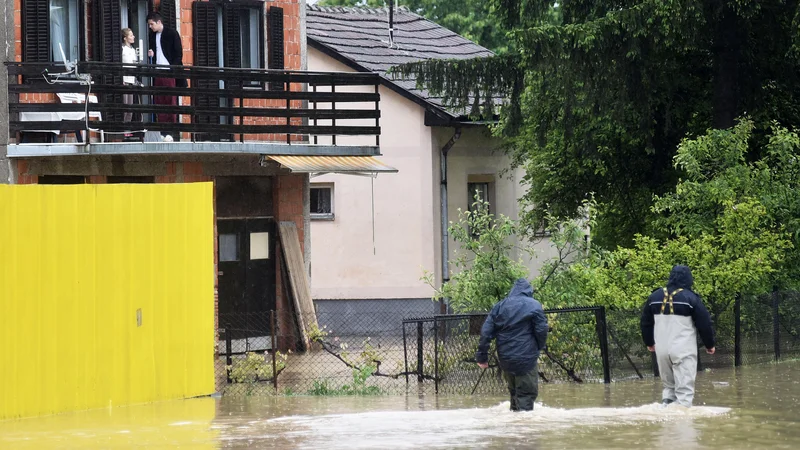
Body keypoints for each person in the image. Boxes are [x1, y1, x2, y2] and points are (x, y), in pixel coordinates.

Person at [641, 265, 715, 407]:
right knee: (684, 392)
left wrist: (649, 342)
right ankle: (682, 425)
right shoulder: (691, 299)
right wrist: (709, 344)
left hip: (661, 351)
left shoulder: (654, 297)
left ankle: (667, 420)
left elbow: (645, 322)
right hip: (683, 351)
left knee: (669, 388)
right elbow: (704, 323)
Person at [476, 278, 548, 411]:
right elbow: (541, 330)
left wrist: (482, 357)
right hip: (526, 358)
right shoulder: (534, 305)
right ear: (528, 291)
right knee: (526, 395)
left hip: (506, 359)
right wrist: (540, 346)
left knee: (514, 393)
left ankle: (513, 427)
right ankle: (523, 429)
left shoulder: (499, 306)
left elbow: (486, 333)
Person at [146, 11, 184, 142]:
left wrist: (172, 69)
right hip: (158, 71)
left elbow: (178, 54)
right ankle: (163, 132)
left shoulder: (172, 33)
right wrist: (151, 54)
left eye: (152, 24)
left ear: (159, 22)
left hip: (169, 71)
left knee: (170, 101)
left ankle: (171, 132)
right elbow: (154, 52)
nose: (150, 26)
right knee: (159, 101)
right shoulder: (152, 35)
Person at [121, 28, 139, 124]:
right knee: (124, 105)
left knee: (130, 106)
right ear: (125, 38)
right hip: (124, 79)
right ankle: (122, 128)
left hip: (131, 79)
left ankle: (127, 127)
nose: (133, 37)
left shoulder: (133, 50)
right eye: (131, 35)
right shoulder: (122, 49)